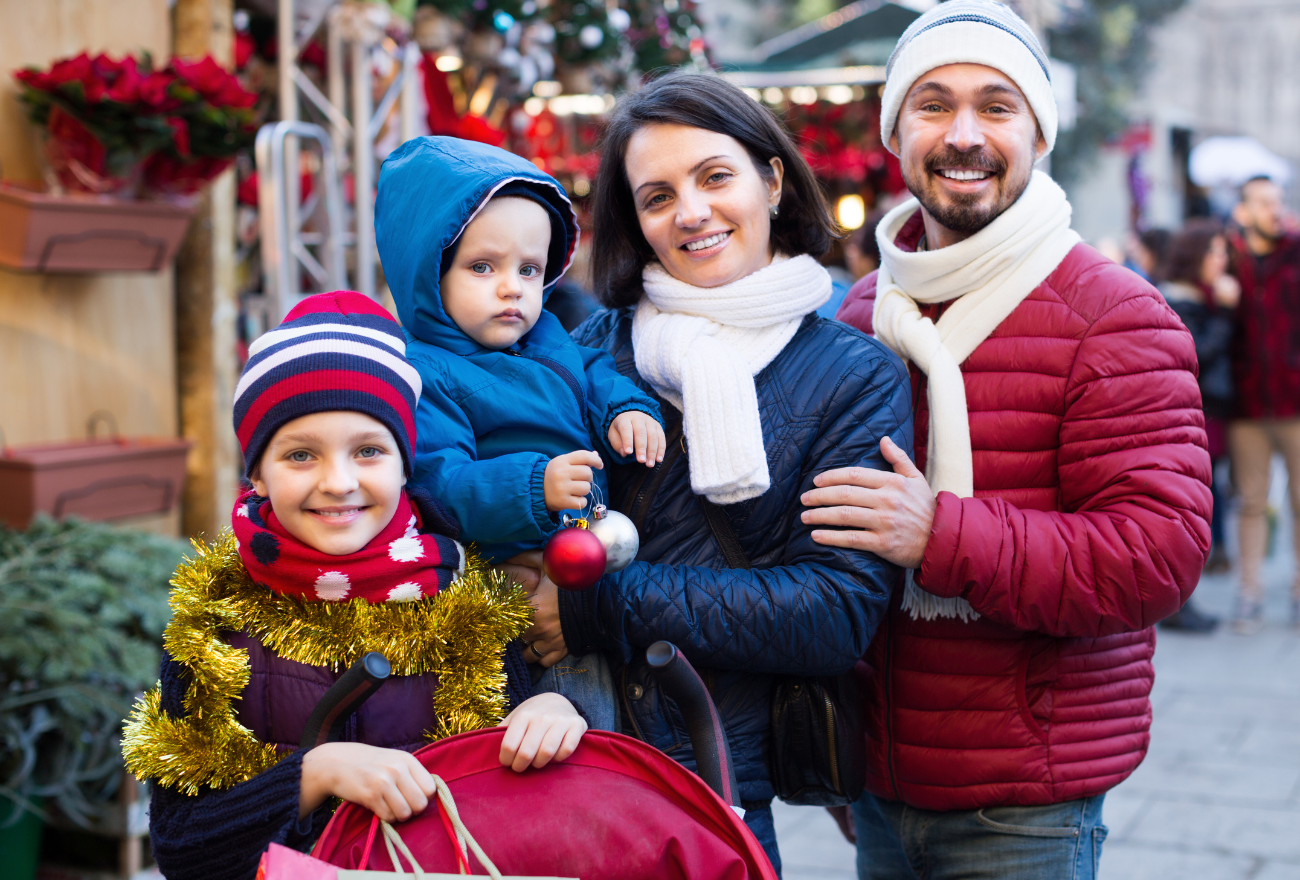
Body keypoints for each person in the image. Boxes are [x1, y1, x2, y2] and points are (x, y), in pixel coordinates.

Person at [806, 2, 1211, 877]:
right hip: (876, 785)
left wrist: (941, 535)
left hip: (1026, 805)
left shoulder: (1117, 317)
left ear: (1037, 132)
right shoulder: (860, 311)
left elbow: (1158, 556)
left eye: (996, 107)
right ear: (895, 131)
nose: (963, 134)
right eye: (933, 104)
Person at [510, 70, 911, 873]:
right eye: (657, 197)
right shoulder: (584, 357)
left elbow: (833, 611)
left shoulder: (853, 375)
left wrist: (597, 608)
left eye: (714, 177)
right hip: (552, 765)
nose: (690, 211)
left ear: (770, 178)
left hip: (715, 780)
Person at [124, 292, 588, 880]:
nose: (339, 482)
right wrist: (314, 774)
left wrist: (550, 711)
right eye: (300, 455)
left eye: (368, 450)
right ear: (258, 475)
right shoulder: (216, 624)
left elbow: (514, 801)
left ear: (403, 463)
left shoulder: (463, 605)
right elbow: (182, 847)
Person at [374, 138, 666, 730]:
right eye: (483, 267)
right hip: (515, 585)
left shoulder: (549, 337)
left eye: (529, 270)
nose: (512, 288)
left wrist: (626, 410)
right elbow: (441, 486)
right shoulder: (427, 372)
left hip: (585, 561)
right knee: (566, 709)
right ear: (428, 274)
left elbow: (595, 374)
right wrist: (536, 488)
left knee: (612, 701)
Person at [1227, 175, 1300, 632]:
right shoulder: (1227, 260)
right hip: (1246, 404)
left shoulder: (1296, 253)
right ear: (1243, 211)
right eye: (1263, 202)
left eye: (1278, 201)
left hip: (1296, 401)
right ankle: (1249, 593)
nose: (1274, 210)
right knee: (1250, 501)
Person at [1159, 220, 1239, 603]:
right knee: (1199, 487)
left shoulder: (1200, 295)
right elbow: (1197, 355)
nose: (1223, 260)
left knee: (1213, 483)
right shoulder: (1180, 300)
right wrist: (1224, 314)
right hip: (1193, 411)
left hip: (1212, 408)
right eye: (1216, 252)